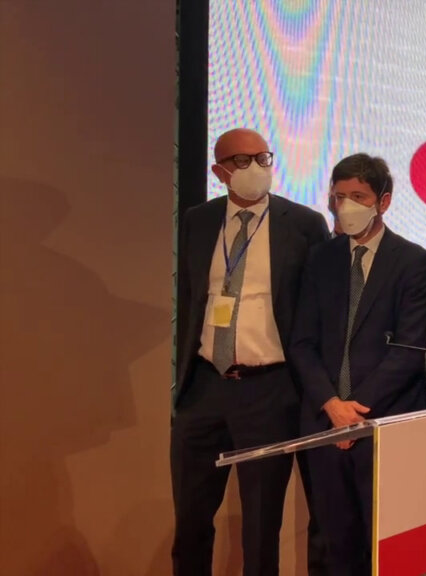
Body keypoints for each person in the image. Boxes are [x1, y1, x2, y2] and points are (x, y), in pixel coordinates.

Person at [172, 128, 330, 576]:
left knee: (261, 527)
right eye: (242, 161)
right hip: (204, 385)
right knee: (190, 521)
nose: (256, 168)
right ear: (219, 172)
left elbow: (320, 310)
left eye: (263, 158)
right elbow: (192, 299)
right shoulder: (199, 220)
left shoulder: (304, 224)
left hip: (270, 389)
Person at [290, 153, 426, 576]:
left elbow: (409, 350)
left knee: (384, 544)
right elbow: (302, 343)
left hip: (381, 423)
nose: (347, 206)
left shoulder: (412, 261)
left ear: (383, 202)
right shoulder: (321, 258)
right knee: (335, 545)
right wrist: (332, 405)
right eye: (339, 197)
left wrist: (354, 411)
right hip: (324, 422)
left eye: (358, 196)